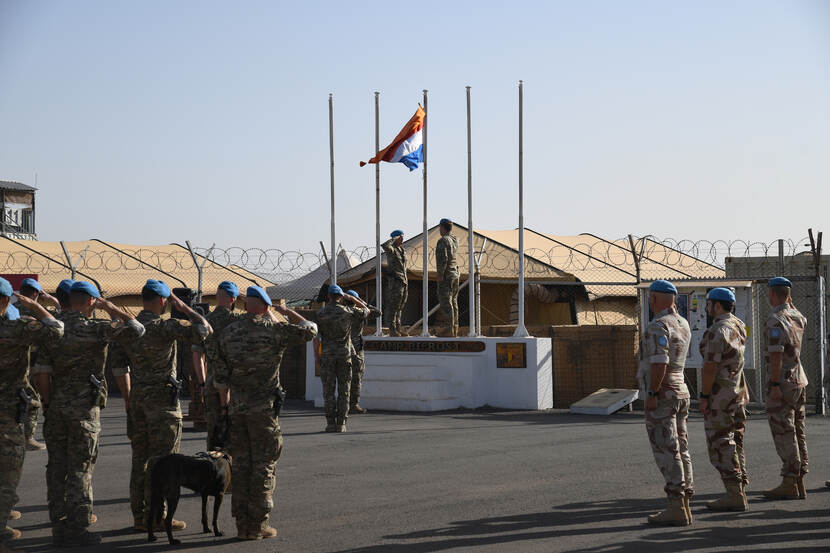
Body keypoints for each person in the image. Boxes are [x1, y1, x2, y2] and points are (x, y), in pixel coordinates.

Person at [33, 281, 144, 546]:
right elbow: (137, 329)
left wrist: (48, 404)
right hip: (84, 410)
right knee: (81, 469)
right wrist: (109, 306)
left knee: (57, 468)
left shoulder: (52, 329)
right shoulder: (97, 329)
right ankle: (77, 528)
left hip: (57, 407)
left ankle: (58, 527)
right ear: (91, 302)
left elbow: (41, 372)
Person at [214, 285, 316, 540]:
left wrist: (225, 407)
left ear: (246, 304)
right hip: (264, 411)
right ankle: (257, 525)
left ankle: (242, 524)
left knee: (240, 467)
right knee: (264, 466)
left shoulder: (227, 333)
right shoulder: (274, 331)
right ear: (266, 306)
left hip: (237, 409)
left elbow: (220, 378)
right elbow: (311, 330)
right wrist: (285, 312)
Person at [117, 280, 211, 531]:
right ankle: (157, 517)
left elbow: (118, 368)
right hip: (163, 405)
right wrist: (184, 307)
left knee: (140, 460)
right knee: (164, 463)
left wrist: (128, 399)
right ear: (162, 301)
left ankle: (139, 516)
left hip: (138, 402)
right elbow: (204, 330)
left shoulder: (127, 328)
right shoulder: (165, 326)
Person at [0, 278, 64, 552]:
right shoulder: (16, 328)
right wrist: (34, 306)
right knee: (7, 471)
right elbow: (57, 328)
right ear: (6, 300)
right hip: (6, 413)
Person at [642, 280, 693, 526]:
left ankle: (676, 505)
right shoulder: (682, 323)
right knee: (681, 447)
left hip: (664, 393)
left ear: (655, 299)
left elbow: (659, 362)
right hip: (681, 389)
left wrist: (652, 393)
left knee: (666, 448)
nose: (650, 302)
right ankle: (685, 500)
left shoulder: (658, 326)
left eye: (651, 298)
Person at [698, 287, 749, 511]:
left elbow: (710, 367)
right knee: (736, 439)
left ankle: (734, 493)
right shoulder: (738, 325)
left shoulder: (717, 330)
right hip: (737, 390)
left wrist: (704, 395)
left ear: (717, 305)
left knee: (720, 441)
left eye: (709, 304)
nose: (707, 308)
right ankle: (740, 485)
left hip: (720, 394)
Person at [762, 277, 809, 500]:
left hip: (782, 382)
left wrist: (773, 384)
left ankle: (790, 480)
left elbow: (776, 353)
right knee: (798, 430)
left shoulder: (775, 319)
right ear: (788, 295)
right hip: (798, 379)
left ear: (772, 294)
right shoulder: (798, 316)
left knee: (783, 431)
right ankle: (799, 479)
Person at [193, 281, 243, 450]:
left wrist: (202, 382)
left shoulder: (206, 322)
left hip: (212, 382)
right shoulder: (238, 321)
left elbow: (197, 355)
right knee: (234, 431)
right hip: (234, 384)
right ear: (234, 299)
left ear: (216, 297)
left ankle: (212, 468)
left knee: (213, 431)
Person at [315, 285, 367, 432]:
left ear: (328, 296)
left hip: (327, 355)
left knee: (328, 391)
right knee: (345, 389)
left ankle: (330, 423)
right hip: (344, 355)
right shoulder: (348, 311)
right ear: (341, 296)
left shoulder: (320, 313)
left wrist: (316, 356)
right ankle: (342, 423)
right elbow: (367, 311)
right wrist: (352, 299)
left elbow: (316, 337)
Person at [344, 290, 380, 414]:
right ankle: (353, 404)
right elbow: (377, 312)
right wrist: (362, 302)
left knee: (343, 377)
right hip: (356, 348)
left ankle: (342, 404)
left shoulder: (340, 311)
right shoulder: (359, 312)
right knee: (356, 376)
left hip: (342, 347)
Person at [435, 218, 460, 337]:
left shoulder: (443, 240)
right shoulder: (454, 239)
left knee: (446, 302)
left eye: (440, 227)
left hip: (447, 274)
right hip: (455, 273)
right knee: (454, 302)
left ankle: (449, 329)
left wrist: (440, 274)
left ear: (442, 227)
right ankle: (455, 328)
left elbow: (443, 258)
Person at [381, 230, 408, 336]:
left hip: (404, 281)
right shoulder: (391, 249)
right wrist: (394, 238)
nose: (402, 239)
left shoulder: (402, 250)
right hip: (395, 281)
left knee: (400, 306)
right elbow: (384, 246)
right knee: (393, 306)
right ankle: (392, 329)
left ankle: (398, 327)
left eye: (402, 237)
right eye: (400, 237)